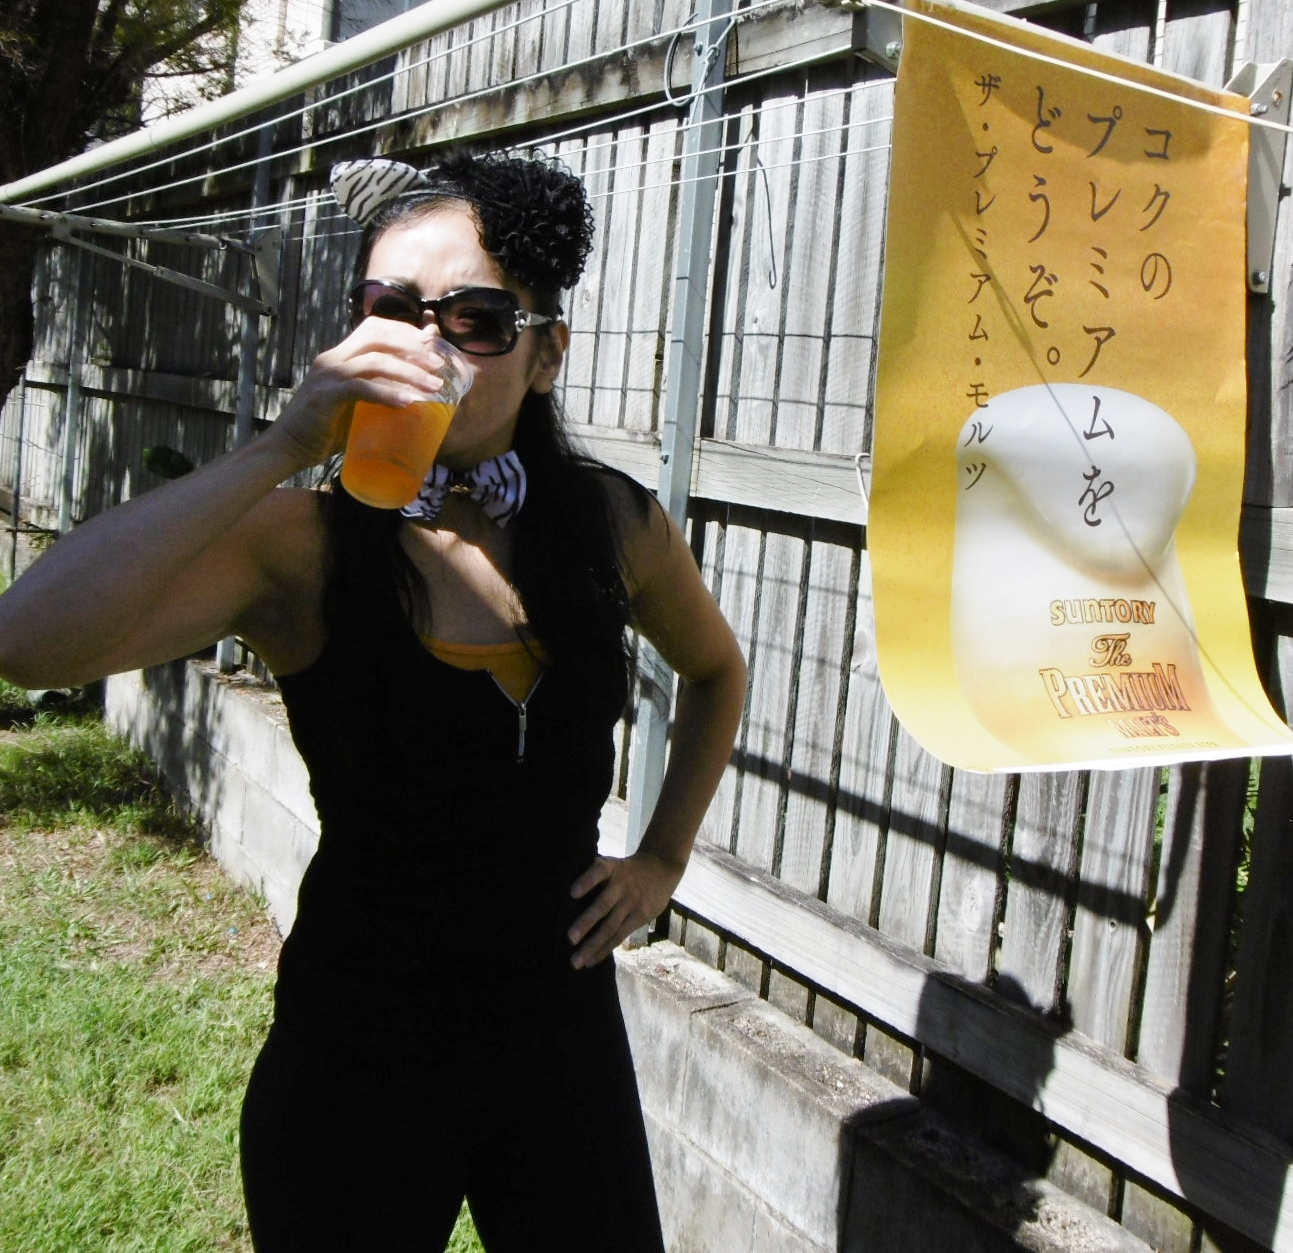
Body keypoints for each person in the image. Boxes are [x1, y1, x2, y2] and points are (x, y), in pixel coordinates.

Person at [0, 150, 747, 1252]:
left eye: (475, 320)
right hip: (360, 1047)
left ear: (546, 354)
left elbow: (717, 670)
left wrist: (663, 859)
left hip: (560, 1039)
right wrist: (286, 444)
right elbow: (27, 642)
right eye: (392, 309)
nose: (424, 346)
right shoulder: (304, 548)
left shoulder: (612, 526)